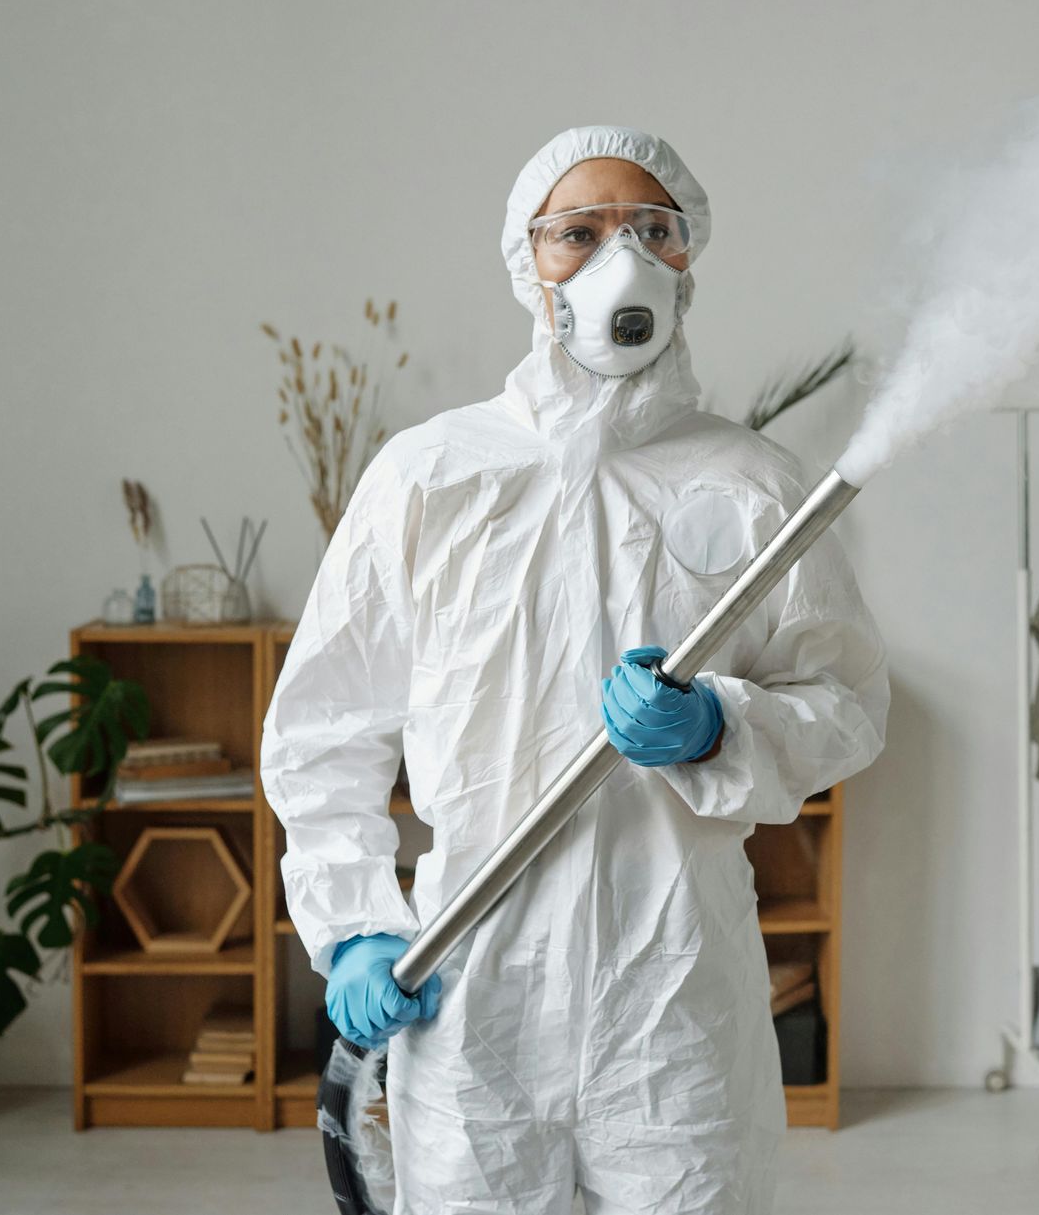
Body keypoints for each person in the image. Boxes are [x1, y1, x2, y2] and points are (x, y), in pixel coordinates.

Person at [261, 125, 889, 1214]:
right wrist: (358, 921)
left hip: (675, 992)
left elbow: (846, 703)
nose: (621, 259)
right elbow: (325, 725)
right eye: (581, 232)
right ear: (528, 262)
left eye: (652, 229)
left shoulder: (753, 482)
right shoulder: (432, 475)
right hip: (471, 987)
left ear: (687, 259)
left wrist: (720, 728)